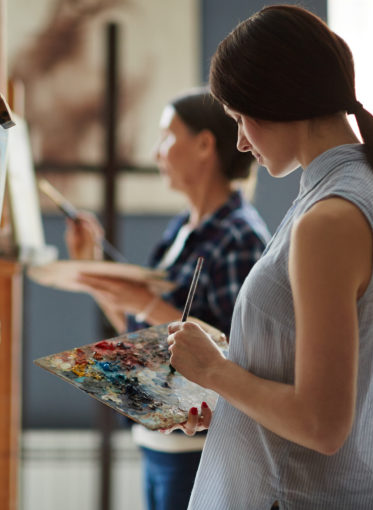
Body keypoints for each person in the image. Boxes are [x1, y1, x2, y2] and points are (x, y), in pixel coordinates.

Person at [165, 5, 373, 509]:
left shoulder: (330, 218)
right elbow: (316, 388)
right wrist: (228, 399)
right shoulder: (358, 192)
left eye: (239, 119)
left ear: (275, 100)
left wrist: (216, 370)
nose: (239, 141)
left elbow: (322, 424)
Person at [65, 90, 269, 510]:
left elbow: (240, 353)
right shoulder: (180, 229)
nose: (157, 152)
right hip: (159, 443)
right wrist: (91, 268)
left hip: (202, 450)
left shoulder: (240, 236)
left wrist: (143, 301)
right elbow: (140, 331)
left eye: (166, 137)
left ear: (204, 145)